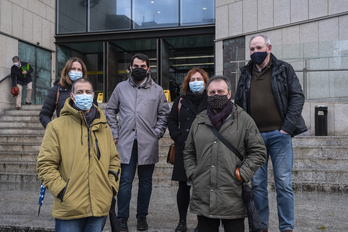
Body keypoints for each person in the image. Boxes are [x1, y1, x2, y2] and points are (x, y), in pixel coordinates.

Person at [235, 35, 307, 232]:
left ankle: (286, 228)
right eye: (251, 49)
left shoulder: (284, 69)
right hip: (254, 138)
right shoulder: (245, 73)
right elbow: (239, 103)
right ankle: (261, 227)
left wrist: (287, 128)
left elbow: (297, 96)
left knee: (283, 183)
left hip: (279, 135)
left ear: (269, 48)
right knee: (257, 185)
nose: (255, 52)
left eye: (259, 47)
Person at [183, 75, 267, 232]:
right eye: (212, 92)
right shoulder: (199, 120)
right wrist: (193, 173)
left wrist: (243, 173)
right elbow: (189, 151)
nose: (216, 95)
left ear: (229, 94)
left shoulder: (243, 120)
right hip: (204, 195)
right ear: (207, 95)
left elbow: (259, 151)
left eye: (220, 92)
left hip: (232, 195)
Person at [37, 78, 121, 232]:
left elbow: (114, 160)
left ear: (93, 95)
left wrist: (110, 188)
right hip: (69, 208)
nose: (84, 95)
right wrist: (63, 191)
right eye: (80, 92)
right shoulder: (56, 127)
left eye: (88, 92)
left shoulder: (104, 127)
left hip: (99, 205)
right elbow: (45, 165)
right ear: (72, 96)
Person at [105, 53, 170, 232]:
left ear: (148, 68)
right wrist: (114, 132)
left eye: (142, 66)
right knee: (124, 182)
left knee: (146, 182)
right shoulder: (120, 88)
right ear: (130, 68)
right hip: (125, 143)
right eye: (135, 66)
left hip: (147, 144)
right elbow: (110, 110)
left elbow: (164, 113)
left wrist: (157, 133)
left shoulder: (157, 90)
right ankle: (122, 218)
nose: (138, 69)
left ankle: (142, 216)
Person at [167, 67, 209, 232]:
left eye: (199, 79)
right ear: (187, 83)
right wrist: (178, 137)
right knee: (183, 188)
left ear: (205, 82)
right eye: (193, 80)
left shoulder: (211, 99)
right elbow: (171, 121)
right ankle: (182, 222)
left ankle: (201, 223)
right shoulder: (180, 100)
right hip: (184, 149)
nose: (196, 83)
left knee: (202, 188)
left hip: (205, 149)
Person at [39, 57, 89, 128]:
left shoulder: (88, 91)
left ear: (83, 73)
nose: (76, 72)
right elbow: (44, 114)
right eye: (73, 69)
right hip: (63, 134)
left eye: (79, 69)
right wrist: (53, 129)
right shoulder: (57, 90)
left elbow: (95, 114)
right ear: (67, 70)